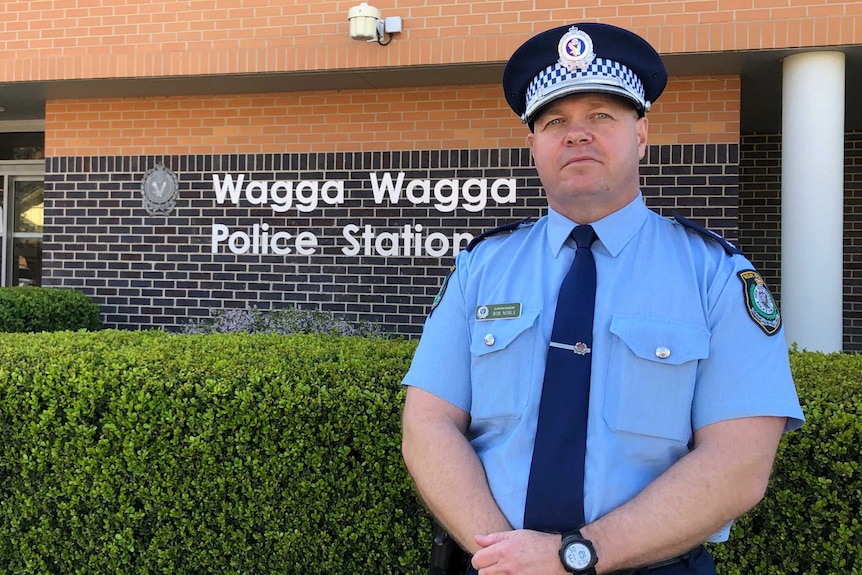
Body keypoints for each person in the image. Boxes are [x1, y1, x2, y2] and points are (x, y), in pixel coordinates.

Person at [400, 21, 804, 575]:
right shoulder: (482, 267)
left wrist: (571, 557)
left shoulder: (715, 274)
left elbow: (738, 462)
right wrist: (505, 556)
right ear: (533, 145)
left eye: (601, 116)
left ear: (641, 134)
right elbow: (428, 423)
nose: (576, 134)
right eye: (554, 121)